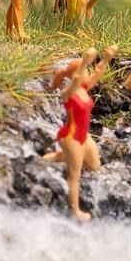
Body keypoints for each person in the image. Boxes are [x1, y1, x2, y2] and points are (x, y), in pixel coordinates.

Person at [43, 45, 117, 222]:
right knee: (74, 174)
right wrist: (84, 62)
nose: (88, 74)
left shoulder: (84, 88)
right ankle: (75, 210)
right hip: (71, 137)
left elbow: (97, 73)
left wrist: (107, 58)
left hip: (84, 136)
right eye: (85, 71)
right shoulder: (68, 93)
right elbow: (76, 78)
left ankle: (57, 157)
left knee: (94, 166)